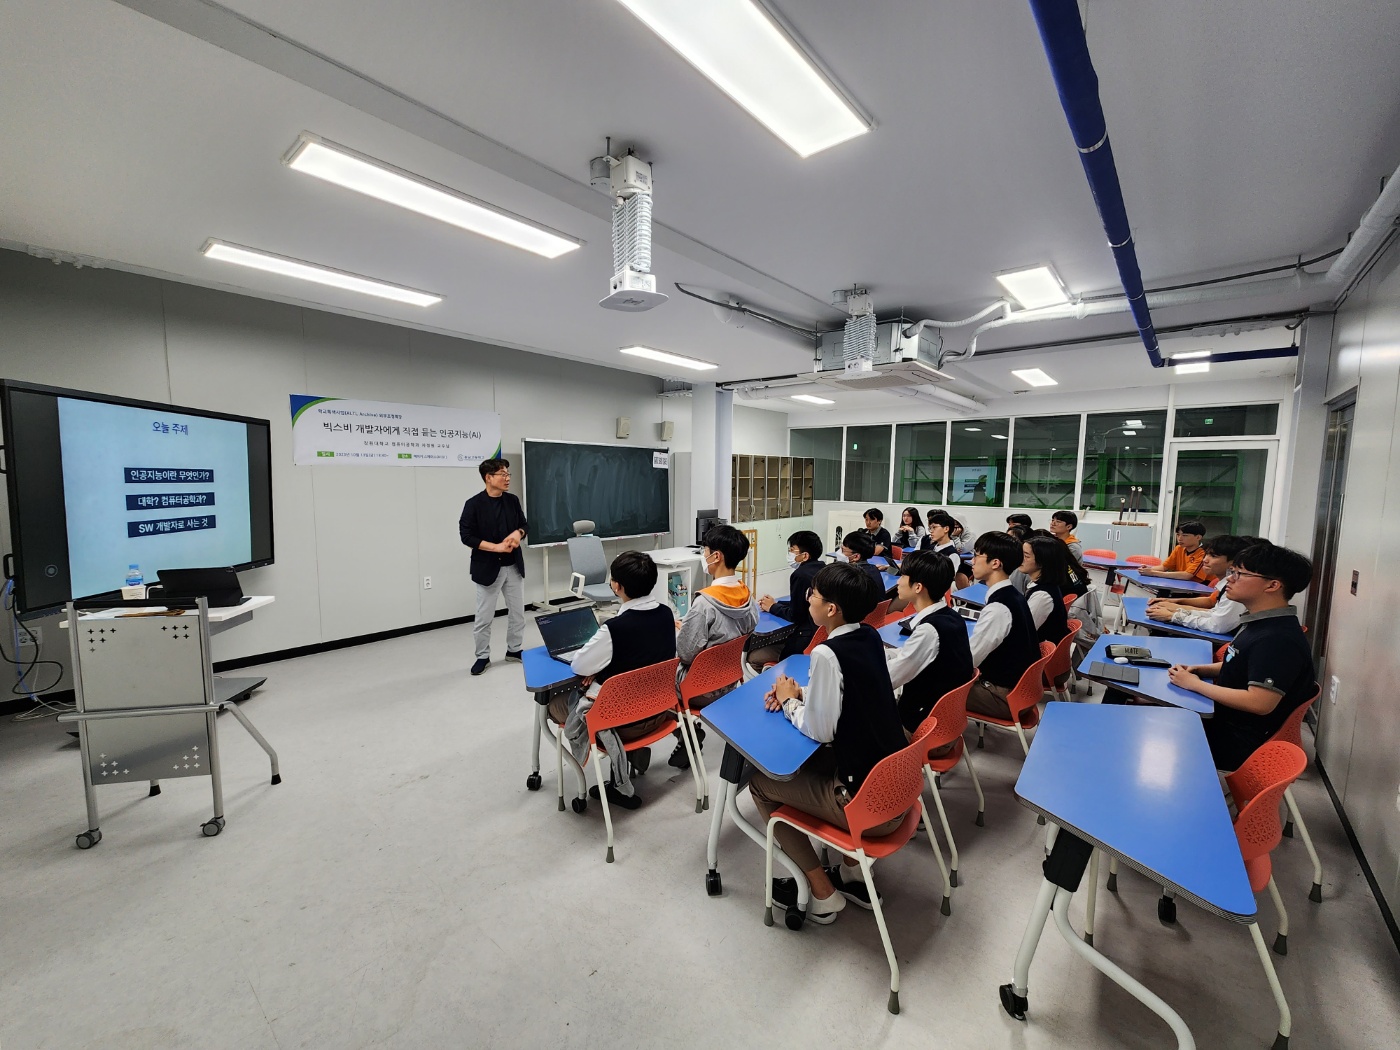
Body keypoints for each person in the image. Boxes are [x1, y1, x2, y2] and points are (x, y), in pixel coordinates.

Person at [748, 562, 909, 923]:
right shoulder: (868, 635)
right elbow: (851, 691)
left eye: (814, 595)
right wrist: (802, 693)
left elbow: (821, 731)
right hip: (897, 788)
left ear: (832, 608)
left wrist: (788, 702)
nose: (808, 599)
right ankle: (852, 875)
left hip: (867, 805)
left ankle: (822, 894)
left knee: (761, 785)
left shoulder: (826, 652)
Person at [1167, 542, 1318, 771]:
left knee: (1153, 729)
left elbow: (1259, 703)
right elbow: (1241, 664)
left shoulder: (1277, 639)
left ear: (1273, 585)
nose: (1230, 579)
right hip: (1222, 720)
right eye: (1232, 572)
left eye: (1240, 574)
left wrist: (1195, 685)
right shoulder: (1260, 623)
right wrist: (1199, 670)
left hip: (1236, 741)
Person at [548, 551, 676, 809]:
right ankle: (633, 757)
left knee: (550, 704)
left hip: (622, 722)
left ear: (617, 586)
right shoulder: (666, 614)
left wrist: (599, 666)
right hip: (658, 712)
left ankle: (596, 782)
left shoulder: (614, 630)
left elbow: (579, 665)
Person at [671, 524, 760, 768]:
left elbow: (686, 654)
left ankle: (685, 734)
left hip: (698, 689)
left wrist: (683, 631)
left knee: (651, 683)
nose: (704, 555)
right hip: (729, 682)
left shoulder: (704, 603)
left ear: (717, 556)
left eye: (705, 551)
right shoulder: (746, 595)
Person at [886, 551, 974, 741]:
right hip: (947, 725)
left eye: (902, 576)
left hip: (921, 729)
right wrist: (883, 654)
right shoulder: (953, 617)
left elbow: (889, 679)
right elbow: (910, 655)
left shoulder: (929, 630)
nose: (898, 581)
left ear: (918, 587)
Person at [458, 456, 528, 676]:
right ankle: (482, 656)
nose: (507, 478)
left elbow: (524, 525)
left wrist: (518, 533)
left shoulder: (512, 500)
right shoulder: (473, 504)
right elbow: (466, 536)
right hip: (487, 568)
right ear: (488, 478)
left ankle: (514, 650)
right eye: (502, 474)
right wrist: (496, 548)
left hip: (513, 566)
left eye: (508, 474)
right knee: (484, 617)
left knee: (518, 613)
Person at [964, 531, 1039, 721]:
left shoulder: (998, 608)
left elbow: (968, 661)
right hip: (1019, 691)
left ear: (995, 563)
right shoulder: (1014, 595)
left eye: (977, 555)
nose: (972, 561)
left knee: (928, 681)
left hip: (1003, 697)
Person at [1147, 534, 1254, 635]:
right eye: (1206, 554)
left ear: (1233, 563)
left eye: (1213, 556)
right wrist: (1177, 611)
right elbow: (1214, 613)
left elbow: (1217, 625)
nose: (1205, 560)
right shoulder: (1226, 586)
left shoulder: (1236, 589)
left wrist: (1173, 616)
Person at [750, 530, 824, 671]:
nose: (789, 554)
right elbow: (802, 604)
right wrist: (776, 603)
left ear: (805, 555)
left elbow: (796, 615)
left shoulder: (800, 575)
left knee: (753, 657)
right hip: (818, 637)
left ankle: (776, 680)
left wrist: (772, 608)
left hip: (804, 642)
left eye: (792, 550)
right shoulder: (822, 568)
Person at [1020, 535, 1070, 643]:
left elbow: (1022, 633)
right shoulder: (1043, 585)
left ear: (1042, 562)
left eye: (1026, 556)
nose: (1020, 558)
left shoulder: (1042, 596)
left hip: (1037, 649)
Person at [1140, 520, 1214, 581]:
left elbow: (1187, 575)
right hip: (1182, 584)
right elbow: (1164, 567)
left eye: (1185, 535)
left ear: (1198, 537)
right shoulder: (1179, 548)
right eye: (1178, 535)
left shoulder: (1204, 553)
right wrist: (1147, 569)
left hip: (1200, 588)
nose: (1180, 538)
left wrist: (1153, 573)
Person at [920, 509, 970, 588]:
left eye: (934, 527)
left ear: (946, 529)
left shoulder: (952, 554)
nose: (931, 531)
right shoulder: (932, 548)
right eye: (930, 528)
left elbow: (944, 579)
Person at [839, 530, 887, 594]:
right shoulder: (874, 569)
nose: (840, 552)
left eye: (843, 550)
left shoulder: (852, 576)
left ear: (856, 557)